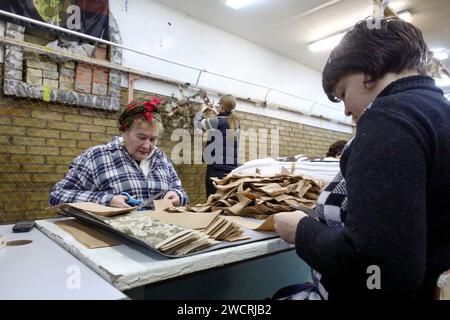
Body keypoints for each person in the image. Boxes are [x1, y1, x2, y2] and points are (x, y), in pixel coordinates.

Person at [274, 17, 450, 299]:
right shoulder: (436, 112)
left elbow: (380, 267)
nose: (345, 110)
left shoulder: (390, 118)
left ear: (370, 66)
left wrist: (301, 231)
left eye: (343, 92)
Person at [49, 96, 189, 210]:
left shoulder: (161, 159)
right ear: (124, 131)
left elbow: (180, 192)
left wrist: (177, 196)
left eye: (153, 139)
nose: (147, 146)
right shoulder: (96, 157)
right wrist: (107, 200)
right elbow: (58, 196)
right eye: (141, 137)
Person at [193, 95, 240, 198]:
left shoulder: (217, 121)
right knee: (225, 201)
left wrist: (201, 110)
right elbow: (223, 122)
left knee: (212, 200)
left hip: (215, 169)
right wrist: (217, 113)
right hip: (231, 171)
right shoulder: (236, 123)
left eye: (219, 105)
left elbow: (197, 124)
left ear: (222, 106)